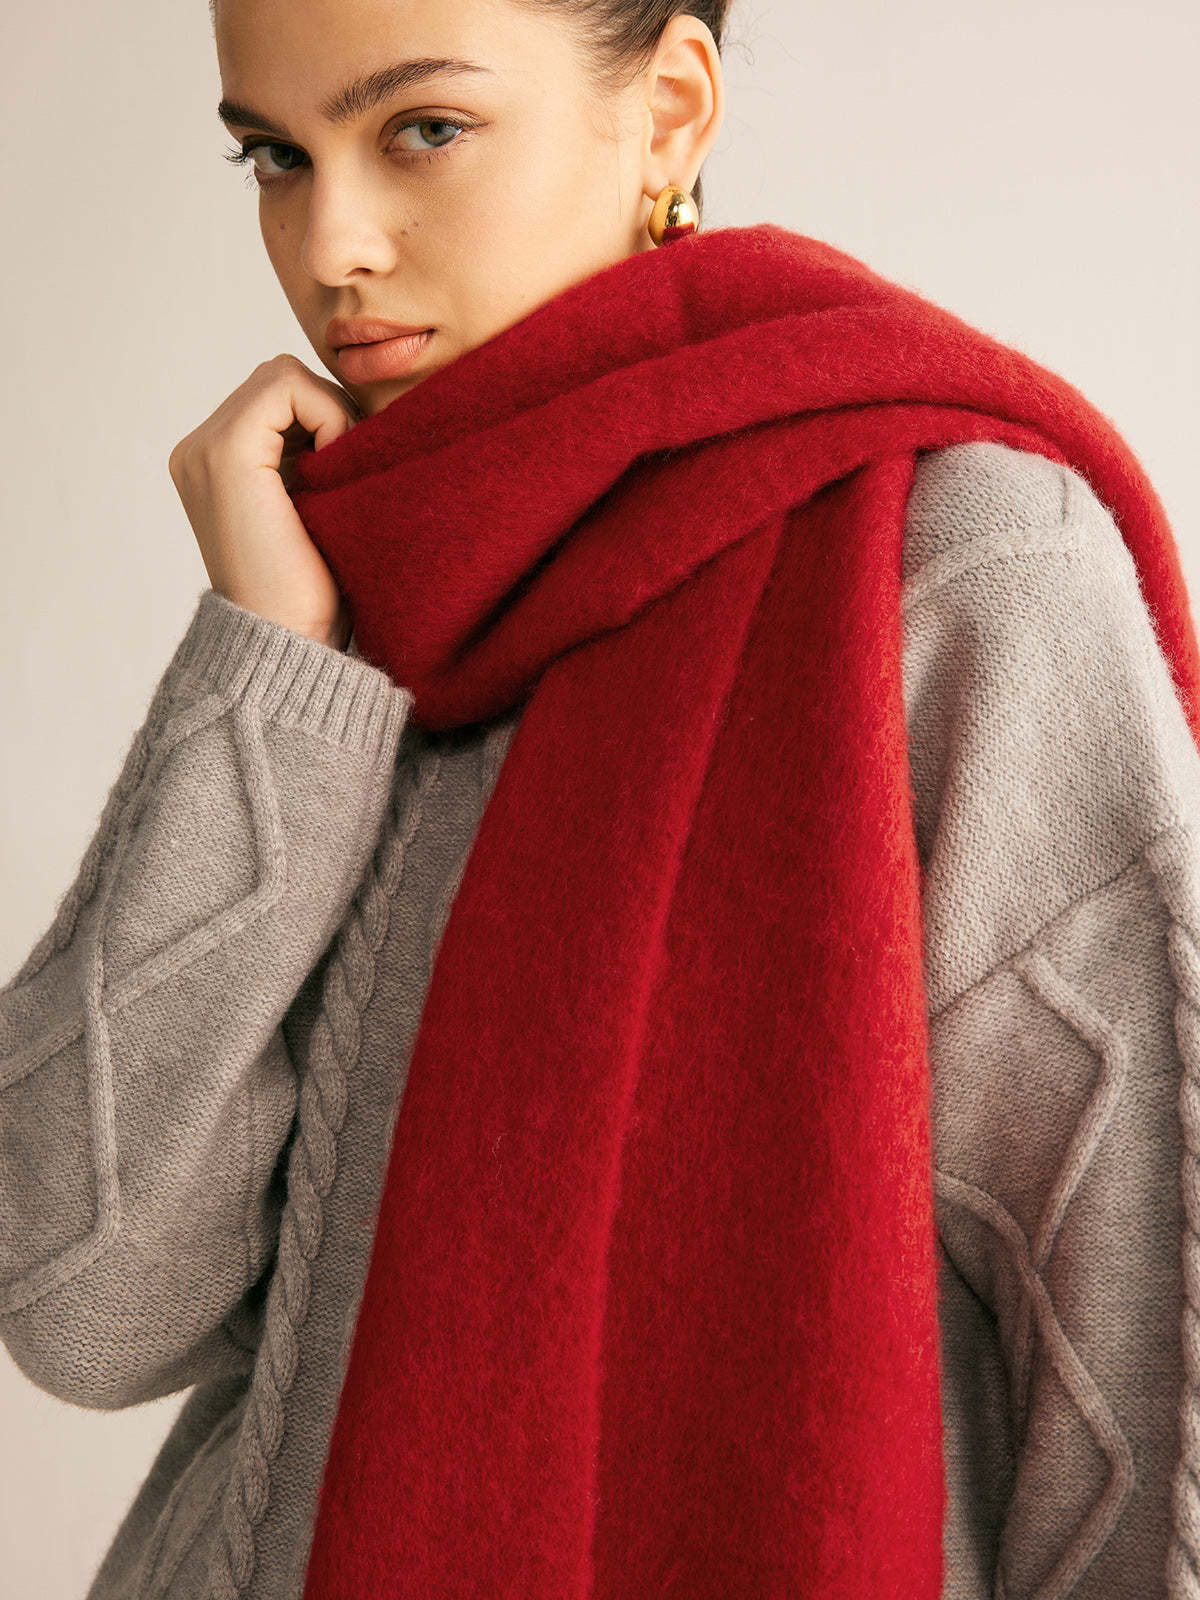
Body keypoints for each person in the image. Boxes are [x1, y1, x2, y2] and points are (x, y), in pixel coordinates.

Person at [2, 1, 1198, 1596]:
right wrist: (271, 666)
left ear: (673, 109)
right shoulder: (334, 605)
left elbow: (1140, 1351)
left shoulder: (955, 564)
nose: (332, 244)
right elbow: (80, 1304)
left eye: (422, 130)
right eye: (274, 157)